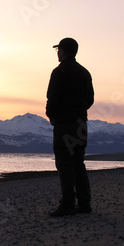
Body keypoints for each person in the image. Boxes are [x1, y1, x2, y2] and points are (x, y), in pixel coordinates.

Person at [46, 37, 94, 217]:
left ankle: (67, 204)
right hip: (80, 124)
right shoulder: (84, 72)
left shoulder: (59, 72)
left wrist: (52, 116)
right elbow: (90, 99)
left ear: (64, 51)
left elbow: (52, 98)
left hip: (64, 124)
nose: (57, 53)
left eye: (58, 50)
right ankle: (84, 203)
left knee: (65, 164)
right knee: (78, 162)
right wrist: (79, 112)